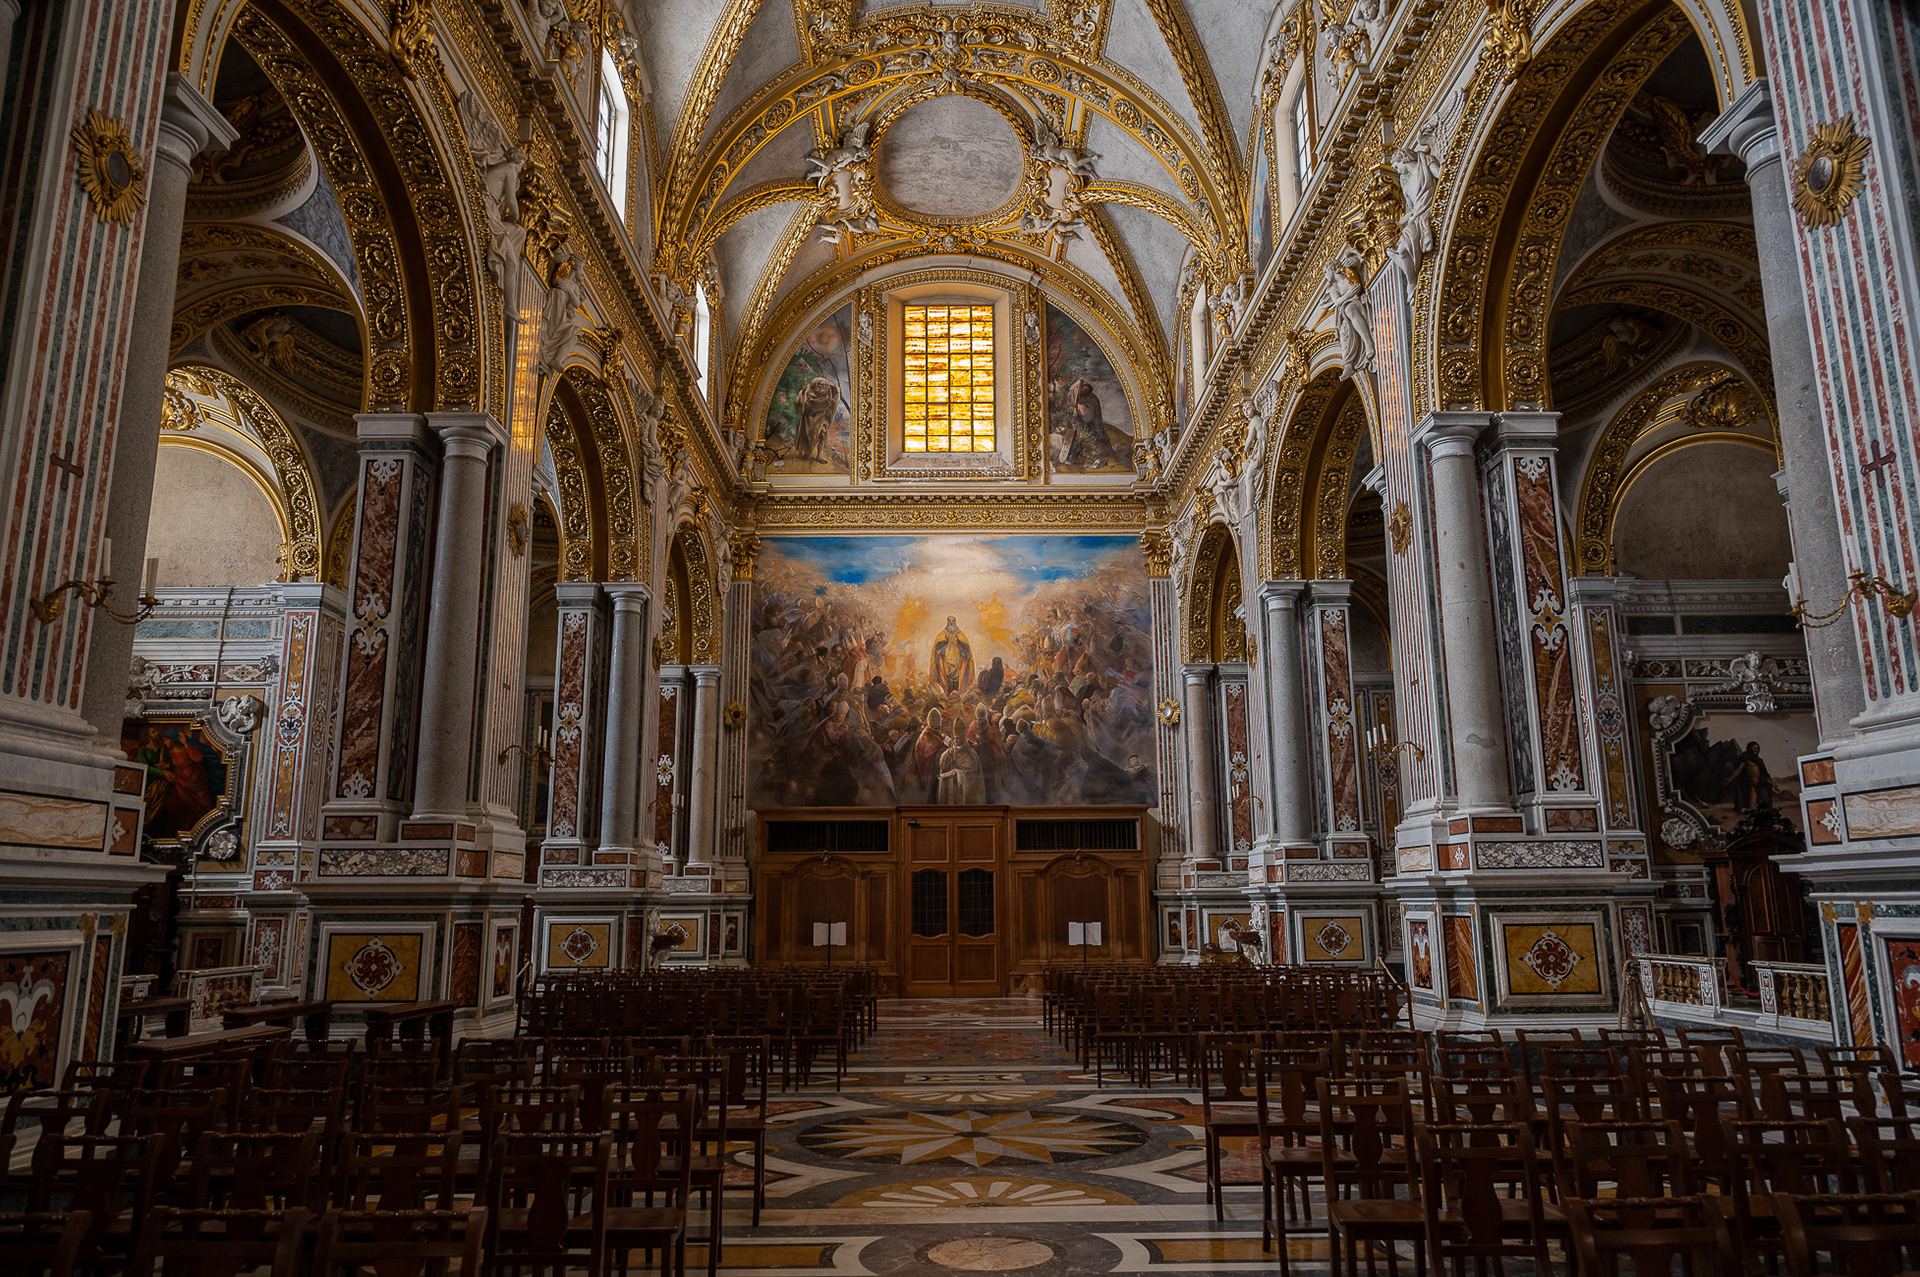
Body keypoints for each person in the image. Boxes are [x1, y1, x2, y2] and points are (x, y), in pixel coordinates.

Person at [929, 616, 975, 695]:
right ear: (947, 622)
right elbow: (936, 651)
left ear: (955, 622)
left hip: (958, 669)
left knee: (957, 691)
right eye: (949, 621)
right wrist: (944, 642)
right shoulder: (941, 636)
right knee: (947, 690)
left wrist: (959, 643)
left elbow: (967, 650)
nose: (951, 623)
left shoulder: (961, 636)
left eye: (952, 621)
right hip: (945, 669)